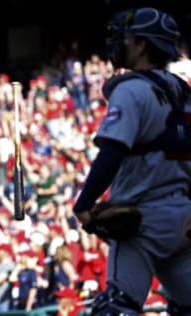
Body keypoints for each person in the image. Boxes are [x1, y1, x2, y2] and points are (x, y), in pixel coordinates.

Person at [72, 7, 191, 315]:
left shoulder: (132, 90)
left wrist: (84, 204)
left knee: (115, 306)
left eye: (127, 39)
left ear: (141, 45)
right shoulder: (185, 93)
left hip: (142, 220)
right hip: (183, 218)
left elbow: (113, 150)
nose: (121, 44)